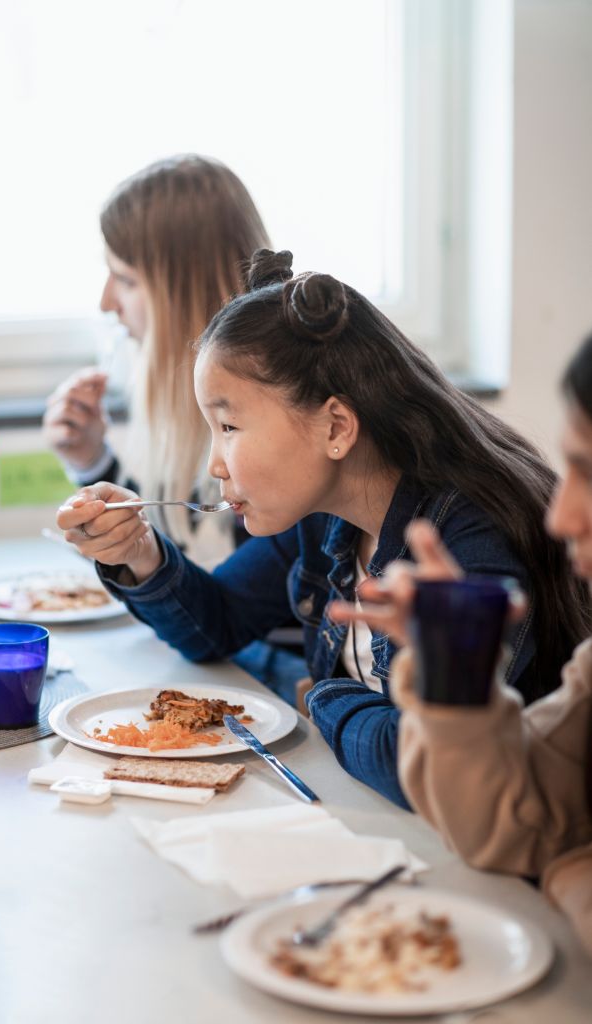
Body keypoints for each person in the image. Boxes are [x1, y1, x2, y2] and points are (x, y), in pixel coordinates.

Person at [56, 248, 590, 808]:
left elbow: (428, 769)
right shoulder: (323, 513)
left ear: (336, 426)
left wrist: (326, 698)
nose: (215, 463)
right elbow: (216, 624)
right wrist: (141, 551)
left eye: (230, 426)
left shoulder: (469, 542)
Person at [332, 332, 592, 954]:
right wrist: (454, 670)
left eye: (589, 473)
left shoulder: (473, 527)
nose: (561, 517)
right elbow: (506, 829)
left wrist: (570, 873)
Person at [44, 156, 306, 696]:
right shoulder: (215, 410)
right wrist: (95, 464)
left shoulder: (274, 416)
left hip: (280, 681)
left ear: (180, 287)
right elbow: (191, 537)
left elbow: (223, 603)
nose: (106, 301)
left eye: (125, 278)